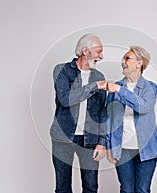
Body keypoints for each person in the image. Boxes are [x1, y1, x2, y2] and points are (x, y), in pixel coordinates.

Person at [50, 34, 107, 193]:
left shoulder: (99, 76)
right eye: (99, 52)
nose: (101, 56)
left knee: (91, 187)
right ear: (85, 51)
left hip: (90, 139)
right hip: (62, 138)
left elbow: (102, 112)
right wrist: (94, 86)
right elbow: (65, 99)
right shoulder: (62, 70)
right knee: (63, 188)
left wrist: (102, 142)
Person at [105, 46, 157, 193]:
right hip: (122, 149)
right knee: (126, 190)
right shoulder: (116, 87)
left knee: (142, 190)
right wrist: (108, 147)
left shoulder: (150, 87)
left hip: (146, 149)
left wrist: (121, 91)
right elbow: (108, 119)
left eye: (127, 58)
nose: (122, 61)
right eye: (123, 58)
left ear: (139, 63)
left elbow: (144, 107)